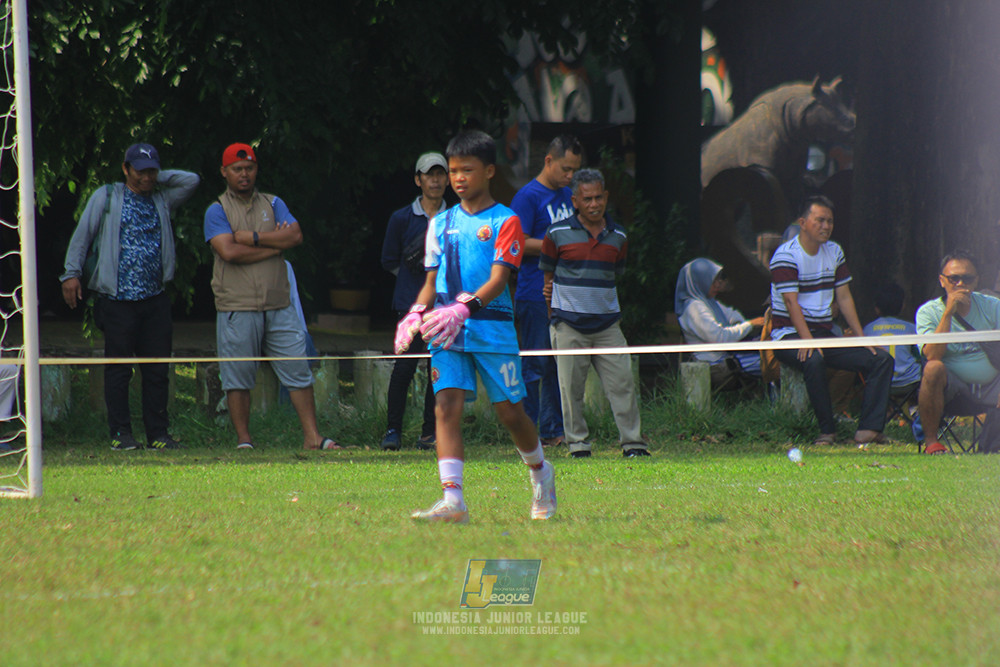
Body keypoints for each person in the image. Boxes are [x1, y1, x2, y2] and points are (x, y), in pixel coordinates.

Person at [395, 130, 556, 523]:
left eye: (467, 170)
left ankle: (541, 472)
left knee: (510, 413)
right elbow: (431, 284)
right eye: (453, 171)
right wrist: (416, 313)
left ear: (488, 171)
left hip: (492, 329)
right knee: (445, 406)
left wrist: (463, 309)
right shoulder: (441, 223)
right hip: (447, 332)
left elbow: (499, 280)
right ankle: (454, 502)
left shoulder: (507, 220)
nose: (458, 178)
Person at [60, 143, 199, 450]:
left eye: (152, 171)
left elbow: (191, 181)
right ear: (125, 169)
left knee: (157, 369)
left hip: (154, 298)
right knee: (119, 368)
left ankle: (158, 435)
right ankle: (121, 434)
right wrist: (71, 274)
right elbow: (82, 236)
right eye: (140, 171)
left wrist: (157, 178)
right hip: (117, 298)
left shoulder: (162, 198)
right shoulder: (107, 196)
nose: (146, 177)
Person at [203, 143, 341, 451]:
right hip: (236, 306)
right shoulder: (217, 210)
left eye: (249, 168)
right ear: (224, 172)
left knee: (298, 370)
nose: (244, 174)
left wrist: (252, 238)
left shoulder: (273, 202)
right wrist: (273, 248)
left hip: (279, 302)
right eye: (237, 169)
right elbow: (228, 251)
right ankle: (244, 441)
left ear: (256, 170)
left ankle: (312, 437)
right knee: (237, 375)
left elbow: (294, 235)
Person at [540, 168, 649, 458]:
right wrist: (556, 318)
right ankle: (578, 446)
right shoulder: (556, 233)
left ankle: (633, 444)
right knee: (570, 391)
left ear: (606, 197)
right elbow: (547, 277)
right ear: (575, 200)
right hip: (568, 325)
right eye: (587, 199)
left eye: (598, 197)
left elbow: (617, 273)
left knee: (623, 385)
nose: (593, 204)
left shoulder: (619, 236)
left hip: (608, 325)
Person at [769, 195, 893, 446]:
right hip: (789, 335)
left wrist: (860, 338)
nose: (826, 226)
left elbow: (845, 298)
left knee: (881, 359)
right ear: (803, 222)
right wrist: (807, 341)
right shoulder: (786, 255)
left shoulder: (834, 251)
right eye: (820, 220)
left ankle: (868, 429)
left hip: (825, 333)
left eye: (830, 221)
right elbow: (792, 304)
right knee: (813, 360)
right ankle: (827, 431)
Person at [510, 135, 582, 448]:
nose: (570, 176)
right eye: (566, 169)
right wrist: (560, 245)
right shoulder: (527, 197)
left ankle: (553, 430)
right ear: (548, 161)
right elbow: (518, 243)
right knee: (535, 364)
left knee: (557, 363)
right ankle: (526, 432)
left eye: (575, 170)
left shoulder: (570, 195)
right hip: (533, 293)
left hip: (566, 293)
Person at [378, 152, 446, 451]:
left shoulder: (455, 217)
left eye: (440, 174)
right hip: (409, 306)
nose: (435, 180)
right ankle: (393, 431)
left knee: (438, 370)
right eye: (428, 174)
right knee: (403, 369)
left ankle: (430, 432)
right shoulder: (401, 218)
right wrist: (413, 283)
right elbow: (389, 260)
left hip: (444, 307)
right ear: (418, 180)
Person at [915, 250, 1000, 454]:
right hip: (953, 392)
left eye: (967, 278)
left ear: (976, 280)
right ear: (942, 281)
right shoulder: (928, 312)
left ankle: (991, 447)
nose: (961, 284)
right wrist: (948, 313)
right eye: (954, 279)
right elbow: (932, 355)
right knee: (933, 368)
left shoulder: (993, 306)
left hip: (992, 386)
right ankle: (931, 442)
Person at [675, 258, 766, 387]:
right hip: (716, 365)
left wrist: (746, 324)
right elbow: (720, 337)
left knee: (772, 358)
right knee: (773, 363)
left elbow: (733, 316)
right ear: (700, 281)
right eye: (712, 281)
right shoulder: (694, 308)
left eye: (719, 280)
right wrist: (749, 325)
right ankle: (779, 404)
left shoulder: (709, 302)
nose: (717, 284)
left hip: (728, 359)